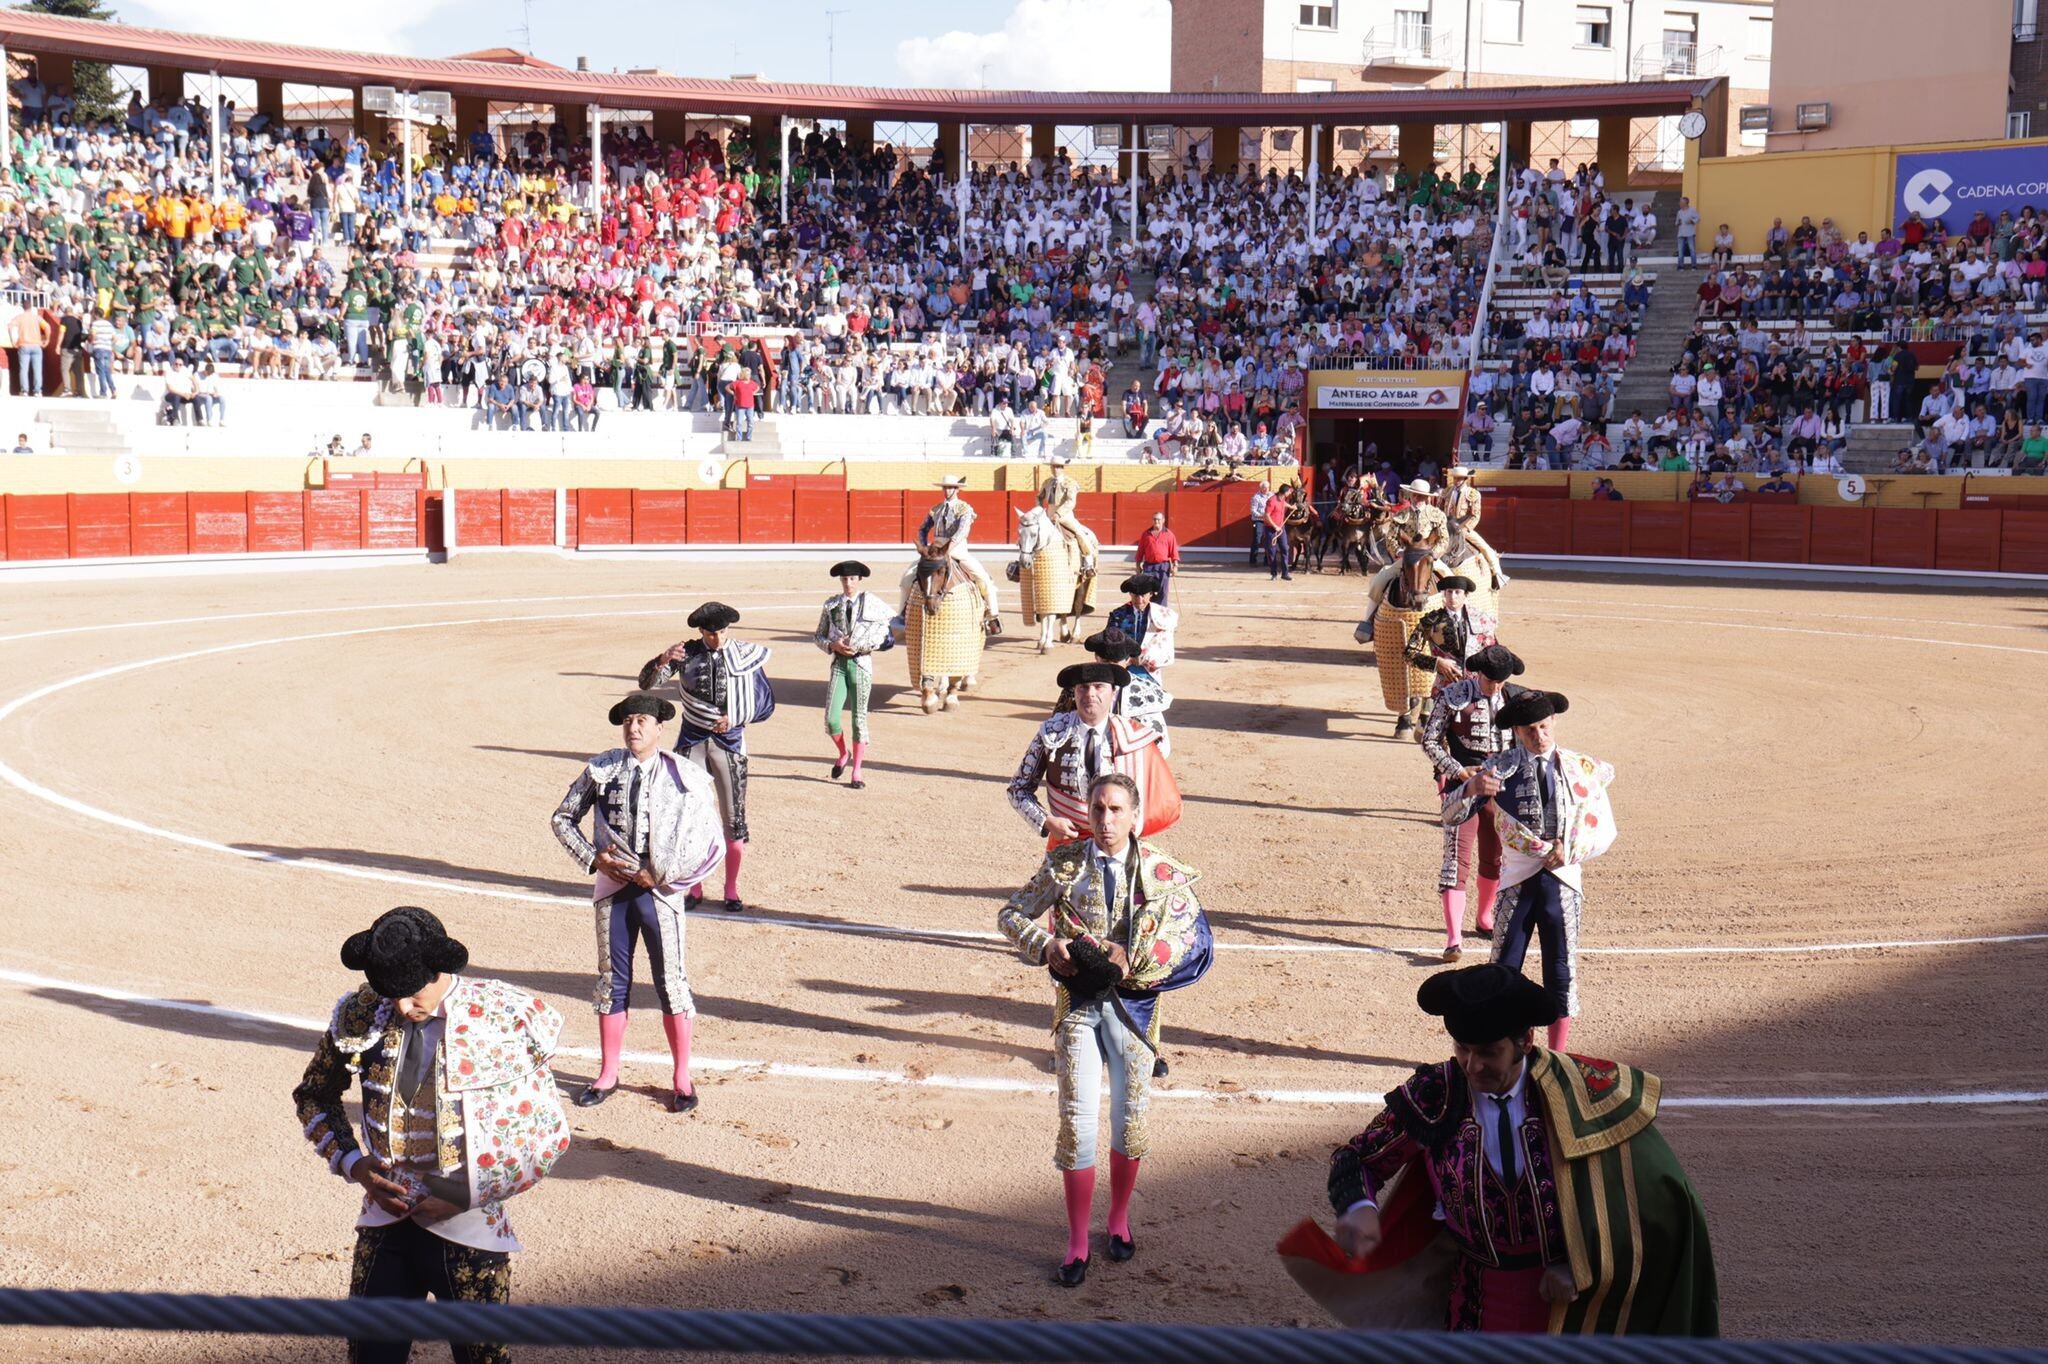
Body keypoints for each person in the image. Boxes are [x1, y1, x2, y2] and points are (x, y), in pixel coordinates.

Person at [1316, 964, 1717, 1335]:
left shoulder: (1580, 1093)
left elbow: (1653, 1204)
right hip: (1472, 1299)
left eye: (1489, 1051)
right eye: (1462, 1049)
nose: (1472, 1066)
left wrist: (1583, 1266)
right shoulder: (1436, 1092)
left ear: (1524, 1041)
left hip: (1564, 1303)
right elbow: (1357, 1159)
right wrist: (1359, 1208)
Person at [293, 907, 571, 1364]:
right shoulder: (366, 1012)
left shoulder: (500, 1017)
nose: (402, 1007)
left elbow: (546, 1134)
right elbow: (314, 1095)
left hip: (470, 1226)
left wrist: (470, 1192)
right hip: (386, 1221)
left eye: (412, 991)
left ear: (439, 967)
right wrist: (355, 1164)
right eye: (391, 993)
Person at [997, 772, 1212, 1286]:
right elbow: (1010, 915)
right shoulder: (1064, 866)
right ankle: (1075, 1240)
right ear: (1088, 813)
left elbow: (1193, 944)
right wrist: (1044, 946)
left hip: (1135, 1012)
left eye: (1117, 810)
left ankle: (1117, 1219)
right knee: (1077, 1122)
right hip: (1078, 1006)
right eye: (1098, 809)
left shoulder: (1164, 874)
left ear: (1136, 816)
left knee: (1130, 1120)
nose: (1107, 819)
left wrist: (1135, 957)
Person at [550, 692, 727, 1112]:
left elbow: (708, 837)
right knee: (612, 981)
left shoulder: (684, 775)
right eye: (628, 721)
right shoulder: (602, 769)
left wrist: (669, 875)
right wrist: (593, 858)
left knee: (672, 982)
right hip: (614, 889)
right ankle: (608, 1073)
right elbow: (562, 818)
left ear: (659, 728)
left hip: (661, 891)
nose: (634, 728)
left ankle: (682, 1076)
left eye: (642, 721)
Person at [1441, 690, 1615, 1052]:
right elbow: (1450, 815)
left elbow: (1602, 819)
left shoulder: (1581, 767)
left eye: (1543, 726)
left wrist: (1571, 849)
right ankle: (1502, 1051)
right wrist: (1471, 787)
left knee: (1561, 972)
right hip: (1517, 882)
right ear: (1516, 732)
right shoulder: (1498, 768)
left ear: (1554, 723)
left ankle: (1557, 1056)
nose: (1539, 735)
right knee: (1503, 971)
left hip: (1563, 882)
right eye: (1529, 730)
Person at [637, 603, 776, 913]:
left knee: (733, 817)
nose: (718, 639)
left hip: (730, 741)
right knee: (689, 816)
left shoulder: (743, 654)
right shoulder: (685, 653)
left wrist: (736, 716)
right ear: (701, 632)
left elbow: (766, 702)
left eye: (723, 632)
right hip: (692, 741)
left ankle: (731, 888)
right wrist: (662, 660)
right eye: (712, 634)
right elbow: (647, 684)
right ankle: (694, 886)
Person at [1420, 645, 1529, 963]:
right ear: (1479, 672)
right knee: (1456, 859)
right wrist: (1456, 770)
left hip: (1501, 786)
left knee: (1496, 857)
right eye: (1491, 679)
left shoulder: (1514, 697)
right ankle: (1453, 939)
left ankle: (1485, 920)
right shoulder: (1454, 695)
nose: (1495, 686)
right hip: (1462, 787)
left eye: (1500, 681)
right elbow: (1429, 740)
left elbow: (1525, 743)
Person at [1008, 661, 1180, 848]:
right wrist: (1047, 821)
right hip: (1066, 845)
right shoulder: (1052, 733)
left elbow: (1164, 800)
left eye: (1099, 687)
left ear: (1113, 693)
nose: (1090, 694)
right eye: (1083, 687)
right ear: (1074, 692)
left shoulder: (1136, 736)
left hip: (1121, 847)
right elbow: (1018, 789)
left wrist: (1132, 825)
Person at [815, 560, 894, 789]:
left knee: (859, 720)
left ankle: (857, 771)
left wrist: (861, 645)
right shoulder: (831, 606)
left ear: (859, 581)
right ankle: (843, 754)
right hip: (839, 663)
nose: (848, 583)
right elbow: (818, 637)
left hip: (861, 664)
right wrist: (833, 645)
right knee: (831, 720)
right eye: (844, 579)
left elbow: (883, 637)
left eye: (852, 579)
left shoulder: (872, 604)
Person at [905, 474, 1001, 628]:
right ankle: (903, 615)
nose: (947, 490)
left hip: (957, 550)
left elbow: (962, 531)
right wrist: (924, 549)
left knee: (983, 579)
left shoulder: (964, 508)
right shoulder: (936, 509)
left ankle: (993, 617)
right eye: (945, 487)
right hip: (935, 552)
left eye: (950, 487)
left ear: (957, 489)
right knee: (907, 578)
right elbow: (922, 529)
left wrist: (948, 549)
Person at [1441, 466, 1508, 590]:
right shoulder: (1446, 492)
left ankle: (1497, 576)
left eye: (1460, 478)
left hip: (1464, 529)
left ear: (1465, 479)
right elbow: (1440, 511)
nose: (1457, 481)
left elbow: (1475, 515)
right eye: (1455, 478)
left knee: (1486, 549)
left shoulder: (1472, 494)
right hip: (1446, 529)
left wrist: (1464, 528)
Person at [1105, 574, 1177, 681]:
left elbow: (1165, 647)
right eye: (1135, 595)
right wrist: (1126, 659)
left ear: (1151, 594)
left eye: (1143, 595)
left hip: (1150, 670)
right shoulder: (1118, 615)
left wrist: (1145, 658)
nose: (1139, 599)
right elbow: (1109, 643)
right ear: (1130, 593)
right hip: (1123, 667)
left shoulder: (1162, 616)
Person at [1038, 453, 1100, 572]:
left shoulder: (1070, 483)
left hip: (1065, 516)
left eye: (1058, 467)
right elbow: (1039, 497)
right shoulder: (1047, 482)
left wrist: (1059, 514)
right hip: (1048, 516)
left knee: (1079, 533)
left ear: (1062, 468)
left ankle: (1088, 563)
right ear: (1050, 468)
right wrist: (1040, 510)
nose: (1056, 469)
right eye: (1053, 466)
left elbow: (1071, 501)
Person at [1131, 511, 1180, 606]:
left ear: (1163, 521)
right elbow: (1140, 551)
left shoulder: (1169, 535)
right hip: (1149, 567)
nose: (1156, 521)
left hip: (1163, 567)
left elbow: (1174, 552)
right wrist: (1137, 566)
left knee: (1163, 592)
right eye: (1154, 519)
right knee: (1147, 591)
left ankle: (1161, 613)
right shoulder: (1146, 534)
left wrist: (1175, 566)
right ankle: (1148, 611)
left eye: (1158, 519)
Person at [1265, 482, 1296, 581]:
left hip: (1281, 529)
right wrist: (1275, 526)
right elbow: (1266, 515)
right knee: (1272, 552)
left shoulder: (1282, 499)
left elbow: (1283, 503)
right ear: (1285, 492)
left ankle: (1285, 573)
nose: (1290, 493)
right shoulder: (1271, 500)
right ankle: (1274, 574)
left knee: (1285, 549)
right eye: (1289, 492)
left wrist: (1291, 507)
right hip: (1271, 529)